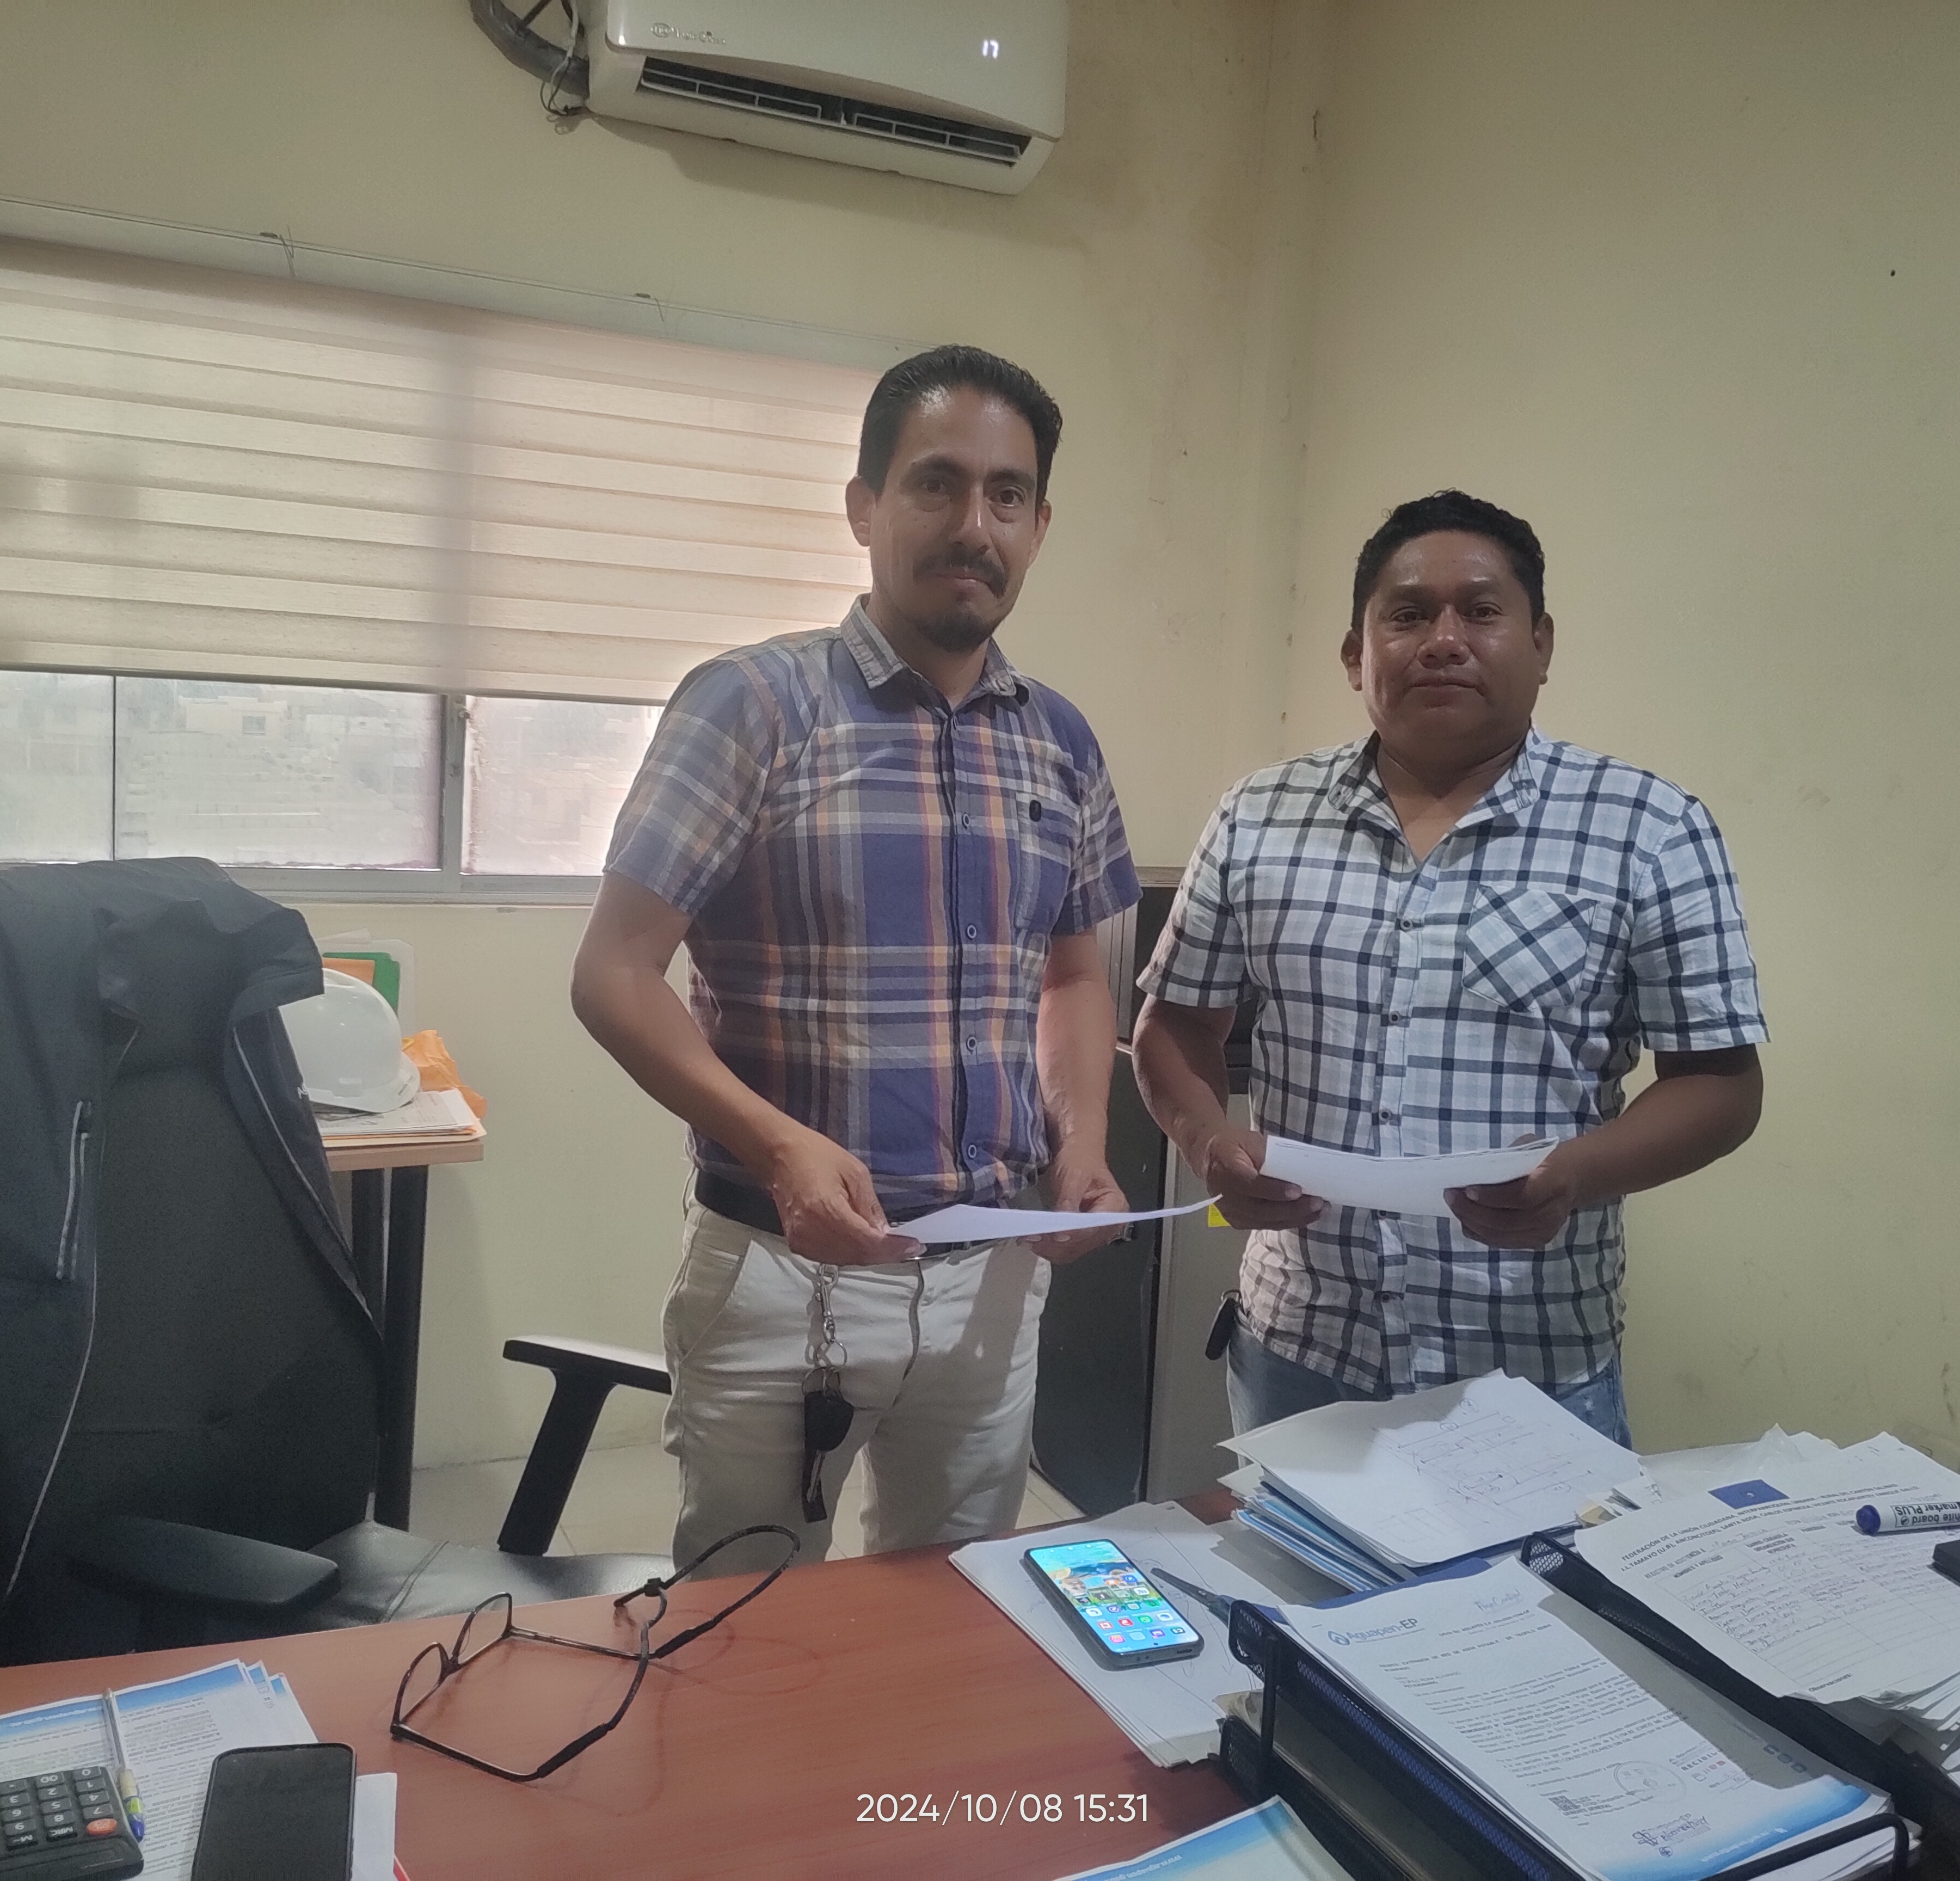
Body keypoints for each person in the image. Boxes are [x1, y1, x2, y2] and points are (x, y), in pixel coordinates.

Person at [572, 345, 1139, 1576]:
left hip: (993, 1276)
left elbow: (1074, 974)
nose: (974, 525)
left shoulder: (1061, 742)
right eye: (937, 484)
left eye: (1006, 495)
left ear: (1039, 527)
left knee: (954, 1606)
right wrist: (779, 1145)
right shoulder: (752, 704)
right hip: (785, 1273)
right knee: (747, 1618)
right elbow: (613, 974)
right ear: (865, 506)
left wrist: (1085, 1142)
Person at [1132, 490, 1765, 1446]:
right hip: (1298, 1351)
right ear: (1357, 655)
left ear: (1541, 644)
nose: (1443, 641)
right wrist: (1207, 1138)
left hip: (1534, 1372)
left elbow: (1721, 1084)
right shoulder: (1257, 817)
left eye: (1480, 611)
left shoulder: (1650, 828)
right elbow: (1176, 1027)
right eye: (1408, 615)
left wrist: (1579, 1173)